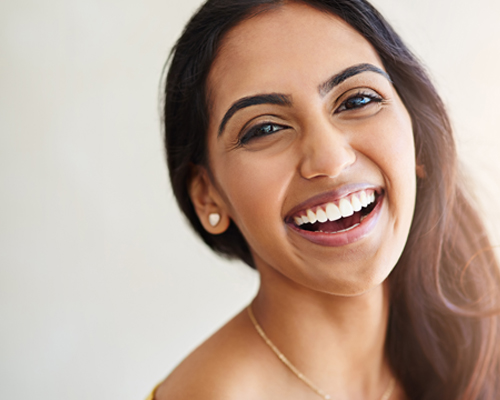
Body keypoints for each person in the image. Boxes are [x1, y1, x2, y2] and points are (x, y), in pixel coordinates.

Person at [149, 0, 500, 399]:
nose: (330, 160)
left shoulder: (479, 333)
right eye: (264, 128)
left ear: (418, 136)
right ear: (207, 195)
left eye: (357, 101)